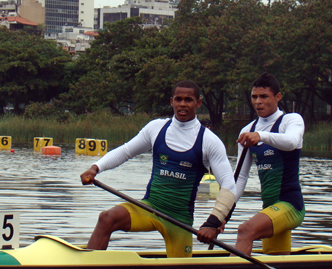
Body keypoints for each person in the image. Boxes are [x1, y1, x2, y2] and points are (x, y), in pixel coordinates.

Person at [80, 80, 236, 258]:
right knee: (107, 218)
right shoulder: (156, 128)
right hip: (149, 208)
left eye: (188, 100)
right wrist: (95, 168)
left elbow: (229, 185)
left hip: (179, 220)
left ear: (198, 103)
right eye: (178, 99)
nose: (182, 104)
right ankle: (88, 265)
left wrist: (213, 223)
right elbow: (125, 151)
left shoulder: (210, 141)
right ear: (171, 101)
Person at [234, 72, 305, 255]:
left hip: (290, 205)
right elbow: (240, 179)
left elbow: (290, 142)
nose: (258, 101)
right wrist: (220, 217)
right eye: (254, 97)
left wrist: (261, 136)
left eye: (264, 96)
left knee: (245, 230)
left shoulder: (291, 120)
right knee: (275, 265)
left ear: (278, 97)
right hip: (270, 209)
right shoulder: (247, 130)